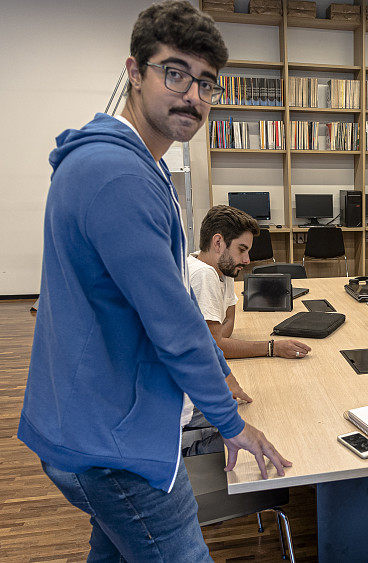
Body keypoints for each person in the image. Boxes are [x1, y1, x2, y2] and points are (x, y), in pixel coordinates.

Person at [17, 2, 290, 561]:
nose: (192, 94)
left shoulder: (132, 165)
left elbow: (175, 305)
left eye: (206, 83)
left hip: (90, 425)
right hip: (114, 443)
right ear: (134, 73)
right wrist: (230, 423)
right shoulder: (117, 174)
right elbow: (170, 320)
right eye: (174, 72)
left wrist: (219, 372)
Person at [190, 205, 311, 360]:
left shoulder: (222, 268)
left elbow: (229, 322)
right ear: (218, 242)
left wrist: (219, 339)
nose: (247, 260)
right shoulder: (203, 274)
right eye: (241, 250)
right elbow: (213, 348)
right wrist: (273, 347)